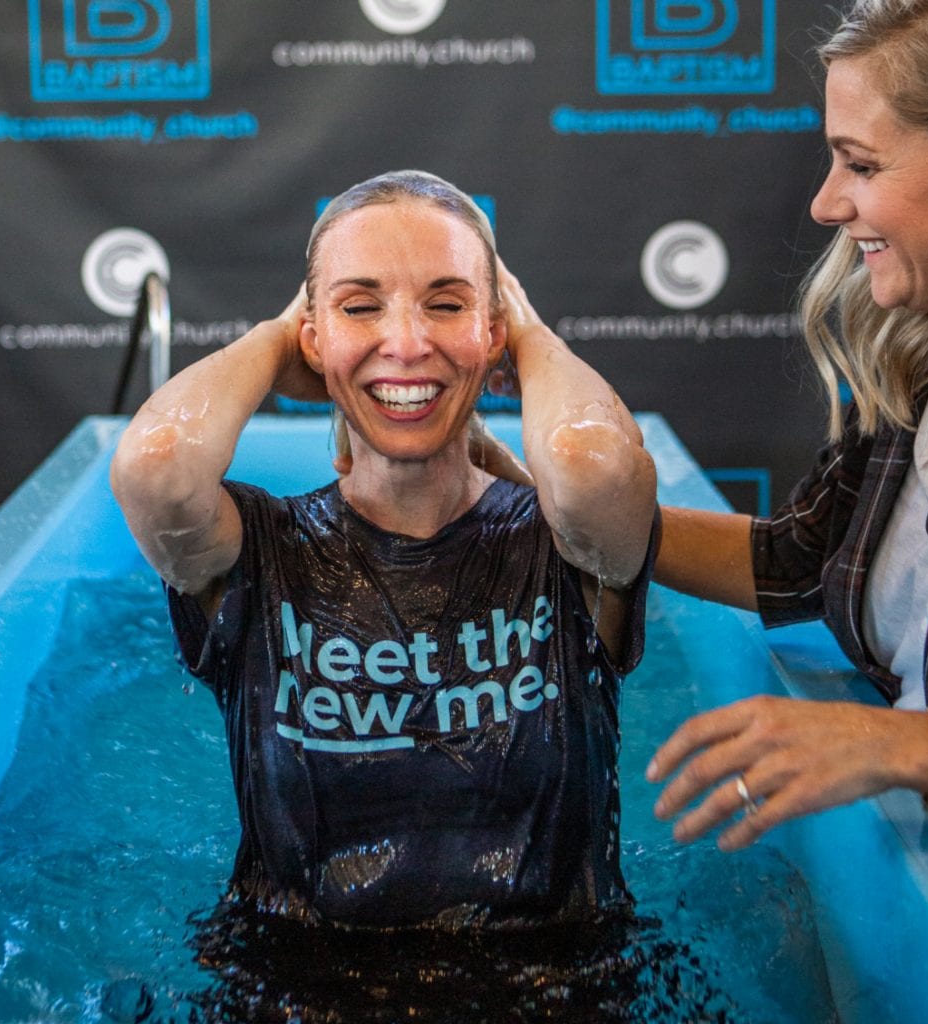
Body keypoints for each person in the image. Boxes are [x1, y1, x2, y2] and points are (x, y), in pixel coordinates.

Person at [109, 169, 658, 930]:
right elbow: (156, 467)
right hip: (292, 978)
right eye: (360, 308)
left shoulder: (567, 547)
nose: (405, 343)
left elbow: (595, 468)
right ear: (314, 338)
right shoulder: (262, 553)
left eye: (448, 305)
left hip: (556, 980)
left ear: (491, 331)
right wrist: (281, 338)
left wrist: (527, 334)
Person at [646, 0, 928, 850]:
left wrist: (916, 748)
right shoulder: (924, 370)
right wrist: (568, 519)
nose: (825, 203)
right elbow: (802, 560)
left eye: (861, 164)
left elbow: (919, 745)